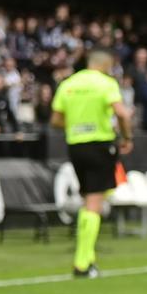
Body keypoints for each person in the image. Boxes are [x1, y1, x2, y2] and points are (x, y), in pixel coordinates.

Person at [51, 48, 134, 278]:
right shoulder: (105, 83)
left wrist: (78, 123)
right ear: (106, 64)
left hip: (76, 145)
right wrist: (127, 138)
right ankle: (83, 263)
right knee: (94, 202)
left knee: (88, 197)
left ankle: (87, 259)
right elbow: (123, 114)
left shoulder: (68, 84)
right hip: (99, 144)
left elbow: (56, 119)